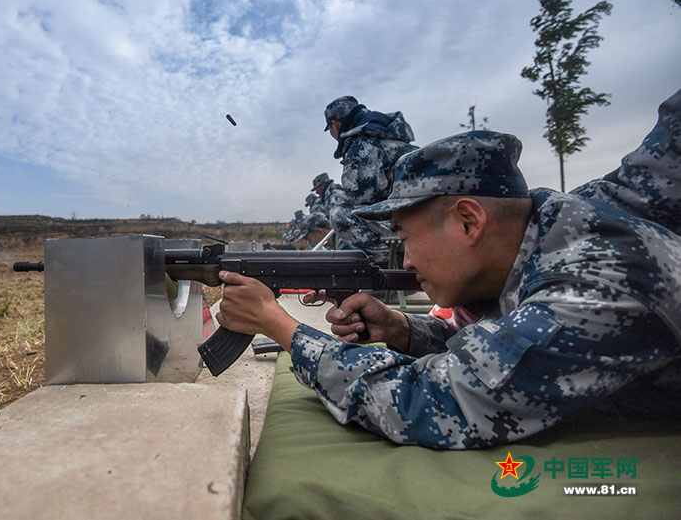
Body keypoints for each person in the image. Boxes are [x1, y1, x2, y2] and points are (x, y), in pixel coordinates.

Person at [216, 93, 681, 449]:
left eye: (405, 237)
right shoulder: (546, 231)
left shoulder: (591, 286)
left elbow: (428, 401)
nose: (408, 260)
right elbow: (498, 341)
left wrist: (279, 325)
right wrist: (403, 329)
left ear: (468, 221)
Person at [323, 96, 418, 264]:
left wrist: (338, 198)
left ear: (335, 124)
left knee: (340, 214)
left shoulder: (362, 144)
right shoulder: (384, 133)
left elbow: (361, 195)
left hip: (403, 220)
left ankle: (389, 263)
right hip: (412, 212)